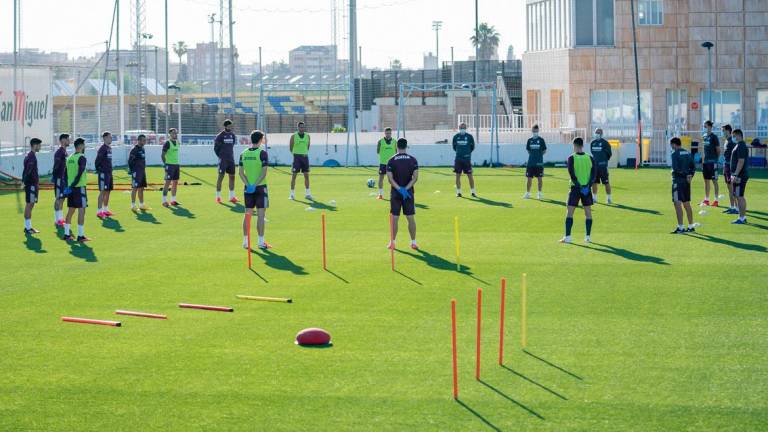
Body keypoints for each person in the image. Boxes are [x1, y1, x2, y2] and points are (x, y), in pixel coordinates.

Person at [560, 137, 596, 244]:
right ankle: (588, 237)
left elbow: (572, 174)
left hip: (575, 188)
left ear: (574, 145)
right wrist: (587, 186)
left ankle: (568, 237)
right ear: (582, 145)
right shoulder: (590, 157)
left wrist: (579, 186)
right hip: (586, 189)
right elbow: (594, 174)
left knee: (570, 212)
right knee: (588, 213)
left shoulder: (571, 158)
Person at [239, 130, 271, 250]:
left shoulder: (243, 153)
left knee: (247, 214)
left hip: (248, 189)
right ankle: (261, 242)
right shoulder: (262, 153)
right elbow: (263, 173)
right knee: (261, 215)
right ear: (260, 140)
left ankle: (245, 242)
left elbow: (240, 173)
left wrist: (248, 185)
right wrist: (255, 185)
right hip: (261, 187)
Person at [386, 138, 419, 250]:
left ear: (397, 146)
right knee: (410, 218)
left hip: (395, 192)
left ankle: (392, 242)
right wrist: (405, 189)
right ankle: (413, 242)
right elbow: (415, 178)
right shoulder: (413, 160)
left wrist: (399, 189)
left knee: (394, 218)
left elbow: (390, 179)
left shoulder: (391, 160)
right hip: (408, 193)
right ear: (406, 146)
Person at [62, 138, 90, 242]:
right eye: (84, 144)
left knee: (70, 210)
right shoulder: (81, 157)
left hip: (71, 189)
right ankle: (80, 235)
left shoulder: (70, 158)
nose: (85, 146)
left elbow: (64, 174)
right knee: (81, 210)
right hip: (79, 188)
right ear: (81, 146)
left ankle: (66, 234)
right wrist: (73, 185)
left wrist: (67, 186)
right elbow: (79, 173)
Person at [669, 137, 697, 234]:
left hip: (677, 181)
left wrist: (685, 174)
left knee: (677, 203)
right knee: (686, 203)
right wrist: (690, 175)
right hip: (686, 182)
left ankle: (680, 227)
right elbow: (693, 167)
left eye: (671, 145)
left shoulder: (674, 154)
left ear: (674, 144)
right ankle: (691, 226)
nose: (671, 147)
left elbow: (676, 169)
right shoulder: (687, 153)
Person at [214, 119, 238, 203]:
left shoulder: (232, 135)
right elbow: (216, 148)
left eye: (231, 125)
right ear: (225, 126)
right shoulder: (220, 136)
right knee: (221, 177)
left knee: (232, 177)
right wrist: (221, 157)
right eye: (229, 126)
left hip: (231, 159)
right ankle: (218, 197)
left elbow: (232, 145)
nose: (231, 127)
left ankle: (232, 197)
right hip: (223, 160)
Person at [22, 138, 42, 234]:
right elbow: (28, 171)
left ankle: (28, 227)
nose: (40, 147)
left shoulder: (30, 156)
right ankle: (28, 228)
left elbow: (25, 171)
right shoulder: (31, 157)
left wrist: (23, 181)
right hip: (31, 185)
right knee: (29, 205)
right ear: (35, 145)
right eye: (39, 145)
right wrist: (24, 182)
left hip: (31, 184)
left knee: (30, 204)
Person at [729, 129, 749, 224]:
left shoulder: (741, 145)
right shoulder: (739, 145)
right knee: (737, 195)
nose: (733, 138)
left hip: (740, 175)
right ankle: (741, 216)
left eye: (734, 136)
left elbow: (741, 161)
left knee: (739, 196)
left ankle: (742, 218)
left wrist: (735, 174)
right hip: (738, 175)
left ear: (738, 135)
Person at [452, 122, 476, 197]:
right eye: (461, 128)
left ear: (466, 128)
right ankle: (458, 192)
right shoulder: (456, 137)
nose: (462, 129)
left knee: (470, 175)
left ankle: (473, 192)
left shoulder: (469, 137)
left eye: (464, 128)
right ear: (459, 128)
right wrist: (460, 153)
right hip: (458, 159)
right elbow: (454, 147)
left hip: (467, 159)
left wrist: (467, 153)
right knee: (457, 175)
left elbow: (472, 147)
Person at [289, 121, 312, 200]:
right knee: (294, 176)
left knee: (306, 176)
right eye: (300, 127)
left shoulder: (307, 136)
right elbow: (291, 147)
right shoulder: (293, 136)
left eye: (303, 127)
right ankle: (292, 194)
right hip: (297, 158)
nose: (302, 128)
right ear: (298, 127)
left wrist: (304, 153)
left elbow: (308, 146)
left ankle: (308, 194)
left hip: (305, 158)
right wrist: (296, 154)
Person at [52, 133, 70, 226]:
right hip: (59, 179)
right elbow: (56, 166)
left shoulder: (65, 152)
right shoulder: (59, 152)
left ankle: (60, 218)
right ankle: (57, 219)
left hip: (65, 180)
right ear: (63, 140)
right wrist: (55, 178)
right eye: (67, 139)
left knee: (62, 198)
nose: (69, 141)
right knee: (58, 198)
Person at [589, 128, 612, 204]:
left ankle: (609, 198)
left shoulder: (605, 143)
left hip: (603, 166)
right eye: (596, 132)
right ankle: (594, 198)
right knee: (594, 182)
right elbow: (593, 153)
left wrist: (603, 161)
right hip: (595, 166)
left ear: (601, 134)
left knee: (606, 182)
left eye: (598, 133)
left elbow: (609, 154)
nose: (597, 134)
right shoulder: (592, 143)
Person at [523, 124, 547, 199]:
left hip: (539, 163)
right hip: (530, 163)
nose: (535, 132)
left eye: (536, 131)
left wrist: (538, 156)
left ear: (538, 131)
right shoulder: (529, 140)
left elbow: (544, 151)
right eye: (534, 131)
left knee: (540, 178)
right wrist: (533, 155)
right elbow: (528, 151)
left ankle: (539, 193)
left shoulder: (541, 140)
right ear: (532, 131)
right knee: (529, 178)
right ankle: (528, 193)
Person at [701, 120, 720, 207]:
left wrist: (716, 160)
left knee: (714, 181)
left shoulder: (714, 137)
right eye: (703, 126)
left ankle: (716, 200)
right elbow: (704, 150)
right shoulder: (704, 136)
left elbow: (718, 150)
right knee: (706, 181)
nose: (704, 128)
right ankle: (706, 199)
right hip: (706, 163)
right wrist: (703, 161)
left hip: (713, 162)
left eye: (705, 126)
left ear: (709, 127)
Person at [95, 131, 114, 219]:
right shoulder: (102, 149)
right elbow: (97, 161)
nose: (111, 138)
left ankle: (105, 210)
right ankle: (99, 211)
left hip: (109, 173)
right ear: (105, 138)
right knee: (102, 191)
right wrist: (100, 170)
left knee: (108, 191)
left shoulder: (109, 148)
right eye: (110, 137)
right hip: (103, 174)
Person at [129, 134, 150, 212]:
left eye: (145, 140)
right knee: (135, 188)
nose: (145, 141)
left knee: (141, 188)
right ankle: (133, 205)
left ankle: (141, 205)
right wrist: (132, 171)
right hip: (136, 172)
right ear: (139, 140)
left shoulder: (142, 149)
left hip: (142, 172)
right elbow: (130, 161)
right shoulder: (134, 150)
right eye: (143, 140)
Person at [162, 128, 181, 207]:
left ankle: (173, 200)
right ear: (170, 134)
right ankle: (164, 201)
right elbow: (162, 155)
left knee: (175, 183)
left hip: (176, 165)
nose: (175, 134)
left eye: (176, 133)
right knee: (167, 183)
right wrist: (165, 164)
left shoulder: (177, 142)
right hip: (169, 165)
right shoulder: (167, 143)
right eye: (173, 133)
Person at [720, 124, 738, 214]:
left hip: (730, 167)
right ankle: (732, 207)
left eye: (723, 130)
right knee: (729, 187)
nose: (722, 132)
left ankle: (737, 208)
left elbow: (736, 155)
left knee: (732, 188)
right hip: (725, 166)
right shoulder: (726, 141)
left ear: (728, 131)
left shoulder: (732, 142)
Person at [375, 127, 397, 200]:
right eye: (387, 133)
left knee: (392, 180)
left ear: (391, 133)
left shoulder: (394, 141)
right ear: (384, 133)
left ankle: (394, 195)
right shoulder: (380, 141)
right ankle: (380, 194)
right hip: (383, 163)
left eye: (389, 133)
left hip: (392, 163)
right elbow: (378, 151)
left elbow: (396, 152)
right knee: (381, 178)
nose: (388, 135)